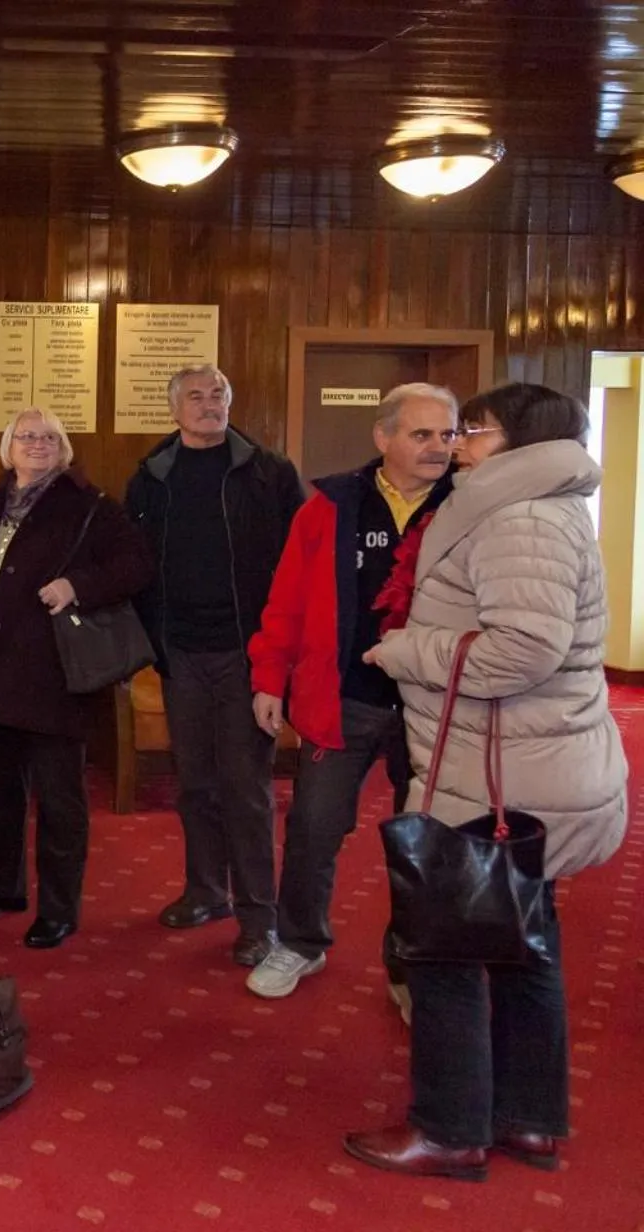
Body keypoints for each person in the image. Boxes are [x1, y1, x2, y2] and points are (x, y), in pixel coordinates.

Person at [344, 383, 628, 1181]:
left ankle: (451, 1129)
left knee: (448, 953)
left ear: (521, 440)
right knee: (524, 944)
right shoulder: (530, 504)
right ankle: (527, 1119)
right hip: (524, 766)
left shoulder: (520, 516)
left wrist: (405, 651)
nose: (461, 439)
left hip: (496, 776)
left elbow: (520, 653)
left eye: (479, 427)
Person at [245, 384, 458, 1001]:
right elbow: (285, 601)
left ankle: (411, 963)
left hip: (437, 709)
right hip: (344, 702)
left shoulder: (471, 508)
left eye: (448, 435)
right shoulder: (330, 509)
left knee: (423, 841)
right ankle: (300, 944)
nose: (439, 448)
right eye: (422, 434)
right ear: (383, 437)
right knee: (313, 828)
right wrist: (269, 678)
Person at [0, 408, 152, 948]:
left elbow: (137, 565)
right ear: (7, 448)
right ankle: (3, 888)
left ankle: (59, 908)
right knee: (2, 793)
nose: (38, 443)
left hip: (53, 680)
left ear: (65, 449)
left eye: (50, 437)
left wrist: (77, 585)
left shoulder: (88, 507)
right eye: (26, 436)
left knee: (60, 800)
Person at [124, 364, 306, 968]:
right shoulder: (152, 476)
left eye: (218, 394)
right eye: (196, 397)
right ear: (174, 409)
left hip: (246, 655)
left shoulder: (269, 473)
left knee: (246, 788)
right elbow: (134, 561)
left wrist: (282, 654)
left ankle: (260, 918)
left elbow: (298, 564)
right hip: (181, 655)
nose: (209, 405)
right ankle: (206, 891)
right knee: (194, 782)